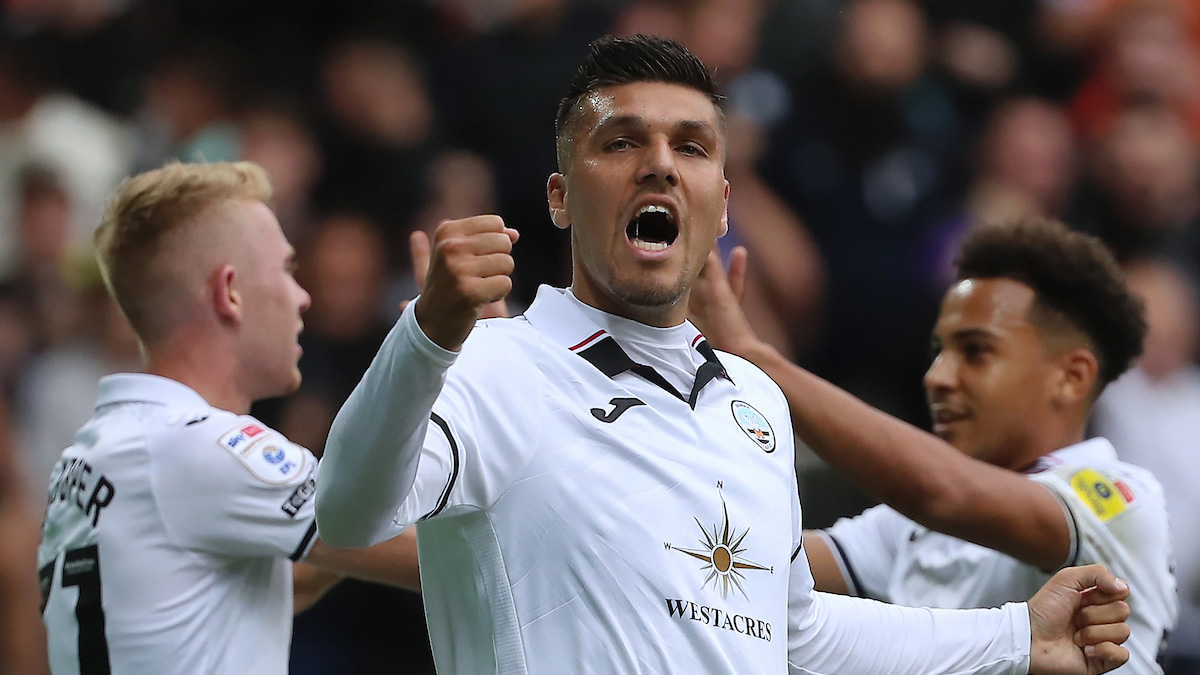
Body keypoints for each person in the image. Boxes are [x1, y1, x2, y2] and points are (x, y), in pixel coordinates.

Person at [316, 35, 1131, 674]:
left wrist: (1016, 635)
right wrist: (426, 336)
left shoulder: (752, 402)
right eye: (622, 141)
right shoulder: (492, 362)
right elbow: (349, 514)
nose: (661, 163)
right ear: (560, 198)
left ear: (721, 204)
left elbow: (797, 632)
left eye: (693, 146)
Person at [688, 218, 1175, 673]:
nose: (937, 377)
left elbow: (943, 491)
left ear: (1071, 377)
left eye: (975, 351)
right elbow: (753, 558)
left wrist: (754, 359)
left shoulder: (1120, 500)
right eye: (938, 352)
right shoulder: (912, 527)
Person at [37, 161, 421, 675]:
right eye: (287, 270)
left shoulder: (94, 451)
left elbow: (288, 578)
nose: (302, 295)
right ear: (230, 292)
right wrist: (456, 363)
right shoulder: (204, 447)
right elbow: (426, 556)